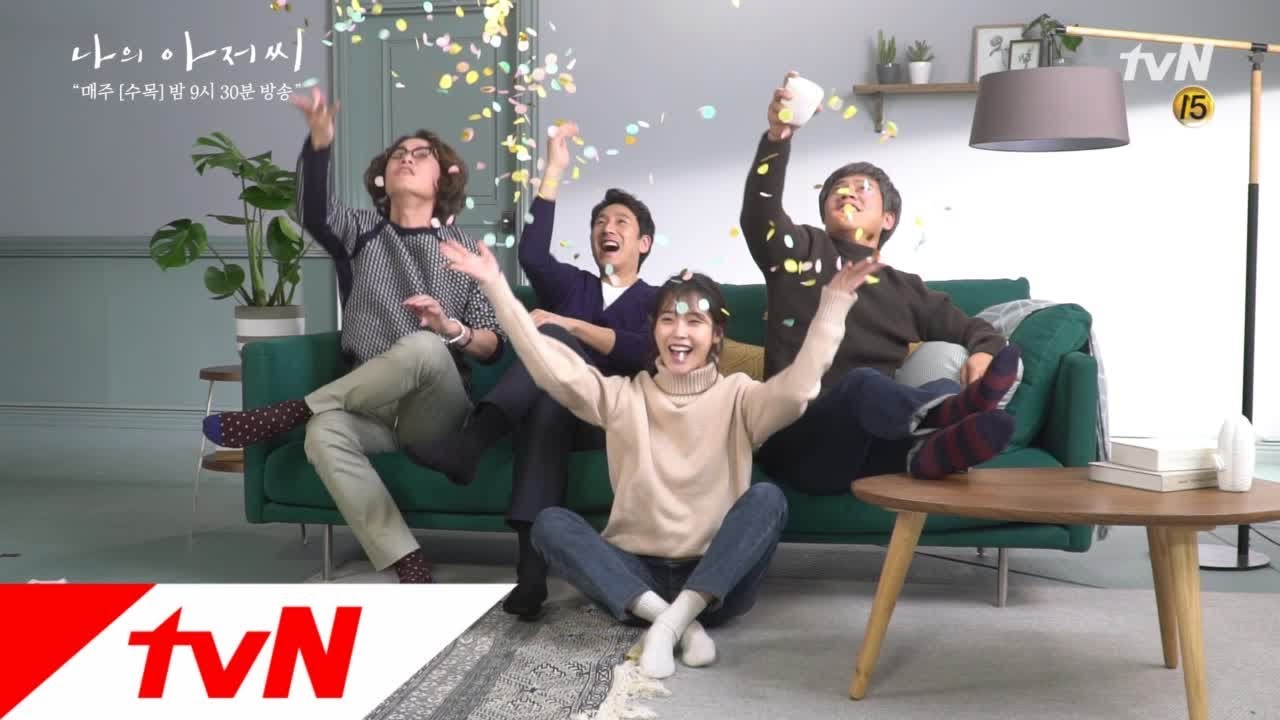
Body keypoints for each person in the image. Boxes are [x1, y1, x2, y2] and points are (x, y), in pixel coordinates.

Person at [435, 229, 883, 678]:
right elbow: (549, 366)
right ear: (654, 331)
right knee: (550, 523)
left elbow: (799, 388)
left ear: (716, 336)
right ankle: (678, 624)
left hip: (718, 582)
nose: (680, 331)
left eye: (695, 321)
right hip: (634, 581)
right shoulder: (621, 396)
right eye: (668, 319)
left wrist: (833, 305)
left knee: (768, 499)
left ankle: (670, 623)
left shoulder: (740, 397)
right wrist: (496, 285)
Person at [200, 87, 505, 583]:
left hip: (436, 412)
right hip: (368, 407)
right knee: (324, 433)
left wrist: (450, 329)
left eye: (421, 154)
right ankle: (406, 558)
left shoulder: (468, 251)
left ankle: (294, 410)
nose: (407, 158)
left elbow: (492, 346)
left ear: (443, 177)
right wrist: (319, 141)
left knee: (424, 346)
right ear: (383, 177)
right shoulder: (362, 231)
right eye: (399, 154)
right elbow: (313, 211)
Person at [406, 123, 660, 620]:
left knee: (553, 339)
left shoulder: (657, 299)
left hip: (609, 420)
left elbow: (641, 352)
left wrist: (568, 325)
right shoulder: (572, 284)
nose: (607, 228)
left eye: (621, 222)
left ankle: (473, 442)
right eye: (599, 222)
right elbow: (531, 254)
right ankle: (530, 576)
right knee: (546, 403)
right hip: (561, 409)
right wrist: (554, 170)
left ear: (644, 242)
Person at [741, 71, 1022, 492]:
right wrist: (778, 138)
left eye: (862, 188)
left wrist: (984, 353)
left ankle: (929, 447)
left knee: (940, 385)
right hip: (794, 441)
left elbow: (975, 329)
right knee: (863, 385)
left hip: (865, 448)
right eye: (837, 189)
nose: (846, 192)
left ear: (887, 219)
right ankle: (950, 414)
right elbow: (758, 214)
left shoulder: (905, 289)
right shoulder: (799, 251)